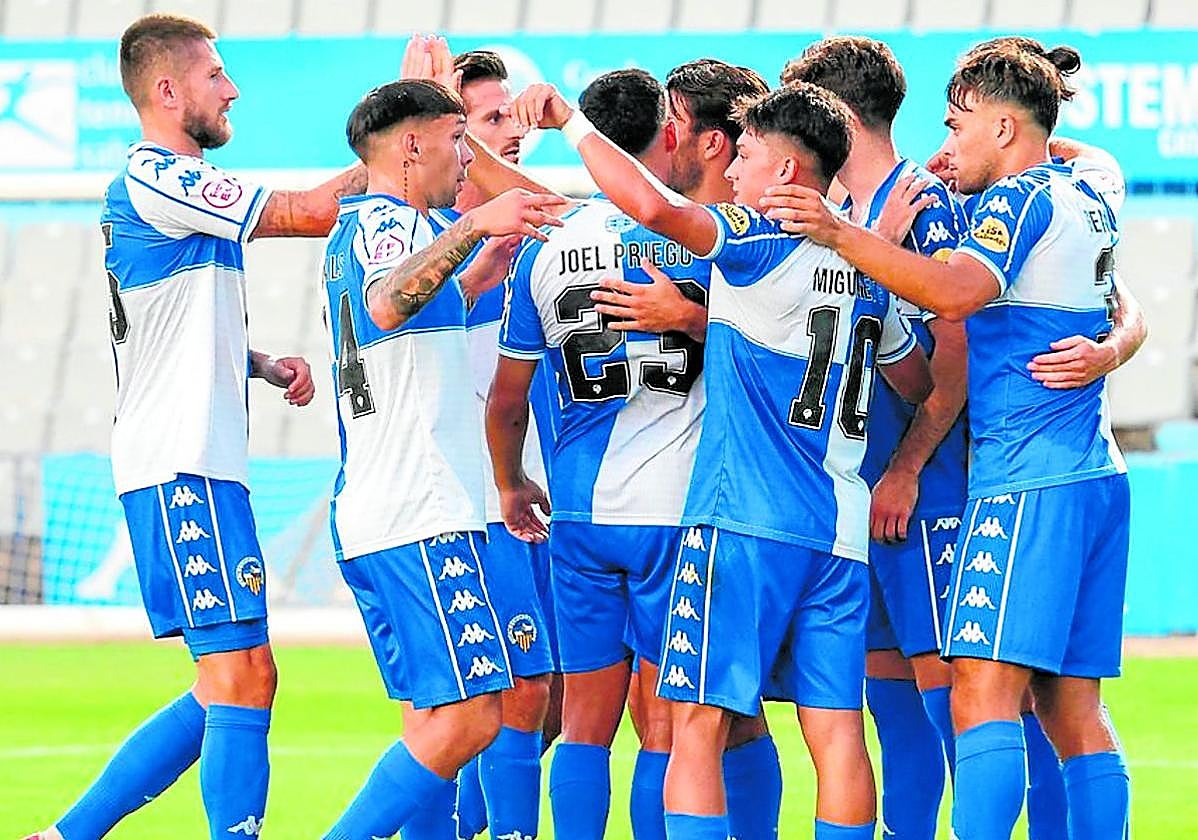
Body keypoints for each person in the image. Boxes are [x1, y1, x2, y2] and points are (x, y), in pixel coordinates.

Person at [512, 79, 933, 840]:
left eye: (748, 155)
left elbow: (654, 210)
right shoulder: (871, 267)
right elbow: (915, 378)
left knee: (697, 723)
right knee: (837, 731)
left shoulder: (753, 236)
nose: (733, 171)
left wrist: (567, 121)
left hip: (739, 520)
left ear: (785, 173)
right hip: (837, 529)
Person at [763, 42, 1135, 840]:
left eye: (958, 123)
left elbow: (957, 294)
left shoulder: (1016, 203)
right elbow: (1116, 283)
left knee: (980, 690)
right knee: (1072, 707)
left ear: (1005, 127)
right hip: (1092, 470)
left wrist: (839, 235)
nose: (949, 139)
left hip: (1023, 476)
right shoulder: (1091, 188)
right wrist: (1120, 342)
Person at [25, 13, 367, 840]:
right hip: (182, 462)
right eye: (216, 74)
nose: (233, 88)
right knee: (244, 675)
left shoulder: (158, 190)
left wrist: (257, 363)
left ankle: (63, 836)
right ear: (169, 89)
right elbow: (304, 211)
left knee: (228, 682)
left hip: (192, 457)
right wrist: (399, 146)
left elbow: (161, 321)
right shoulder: (155, 174)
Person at [318, 74, 563, 840]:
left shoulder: (365, 229)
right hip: (417, 508)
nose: (470, 158)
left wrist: (492, 249)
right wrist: (475, 225)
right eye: (459, 141)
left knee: (443, 714)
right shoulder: (390, 223)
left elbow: (427, 315)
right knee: (470, 718)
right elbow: (391, 302)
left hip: (386, 507)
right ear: (412, 145)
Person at [490, 68, 712, 840]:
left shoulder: (549, 247)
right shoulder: (700, 236)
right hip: (672, 511)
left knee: (582, 723)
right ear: (668, 133)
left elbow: (508, 398)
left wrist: (510, 484)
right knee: (663, 728)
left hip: (580, 517)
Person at [781, 36, 969, 839]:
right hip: (860, 501)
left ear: (841, 120)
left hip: (926, 492)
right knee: (892, 707)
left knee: (961, 702)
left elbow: (950, 368)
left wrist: (907, 468)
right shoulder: (852, 220)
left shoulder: (925, 207)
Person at [399, 48, 558, 840]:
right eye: (488, 122)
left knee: (538, 693)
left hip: (521, 489)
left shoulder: (524, 230)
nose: (511, 134)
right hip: (456, 493)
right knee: (480, 693)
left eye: (512, 117)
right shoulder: (418, 237)